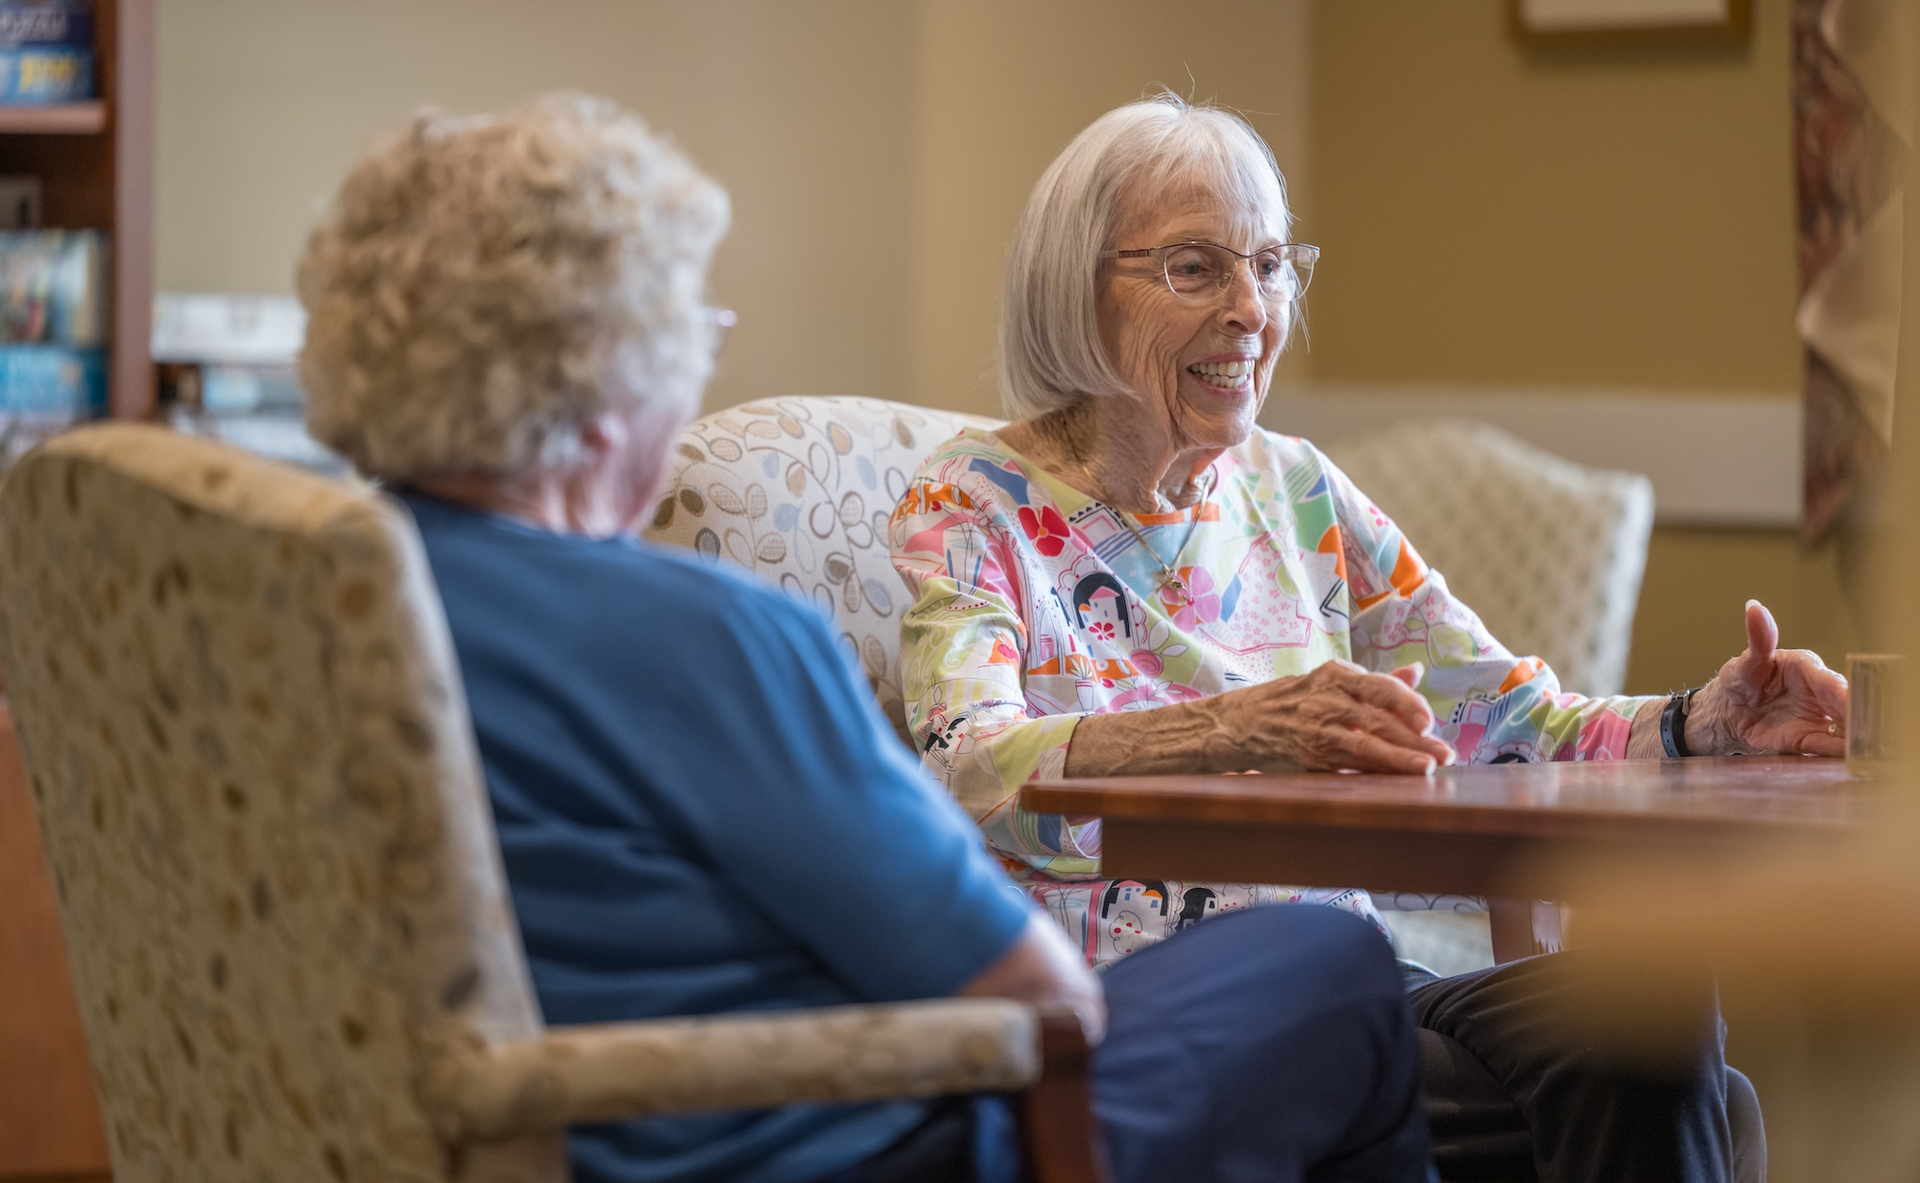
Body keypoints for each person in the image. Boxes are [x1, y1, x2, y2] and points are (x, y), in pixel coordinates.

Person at [296, 93, 1432, 1183]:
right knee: (1330, 964)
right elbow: (1035, 991)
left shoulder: (304, 608)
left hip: (474, 1141)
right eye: (692, 328)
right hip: (840, 1149)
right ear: (605, 391)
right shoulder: (706, 640)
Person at [890, 94, 1833, 1183]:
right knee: (1701, 1101)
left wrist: (1697, 722)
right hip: (1144, 1006)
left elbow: (1513, 723)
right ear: (1075, 287)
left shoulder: (1297, 491)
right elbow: (969, 773)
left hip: (1349, 989)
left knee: (1645, 1007)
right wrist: (1232, 727)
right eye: (1196, 268)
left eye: (1272, 265)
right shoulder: (975, 502)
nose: (1251, 308)